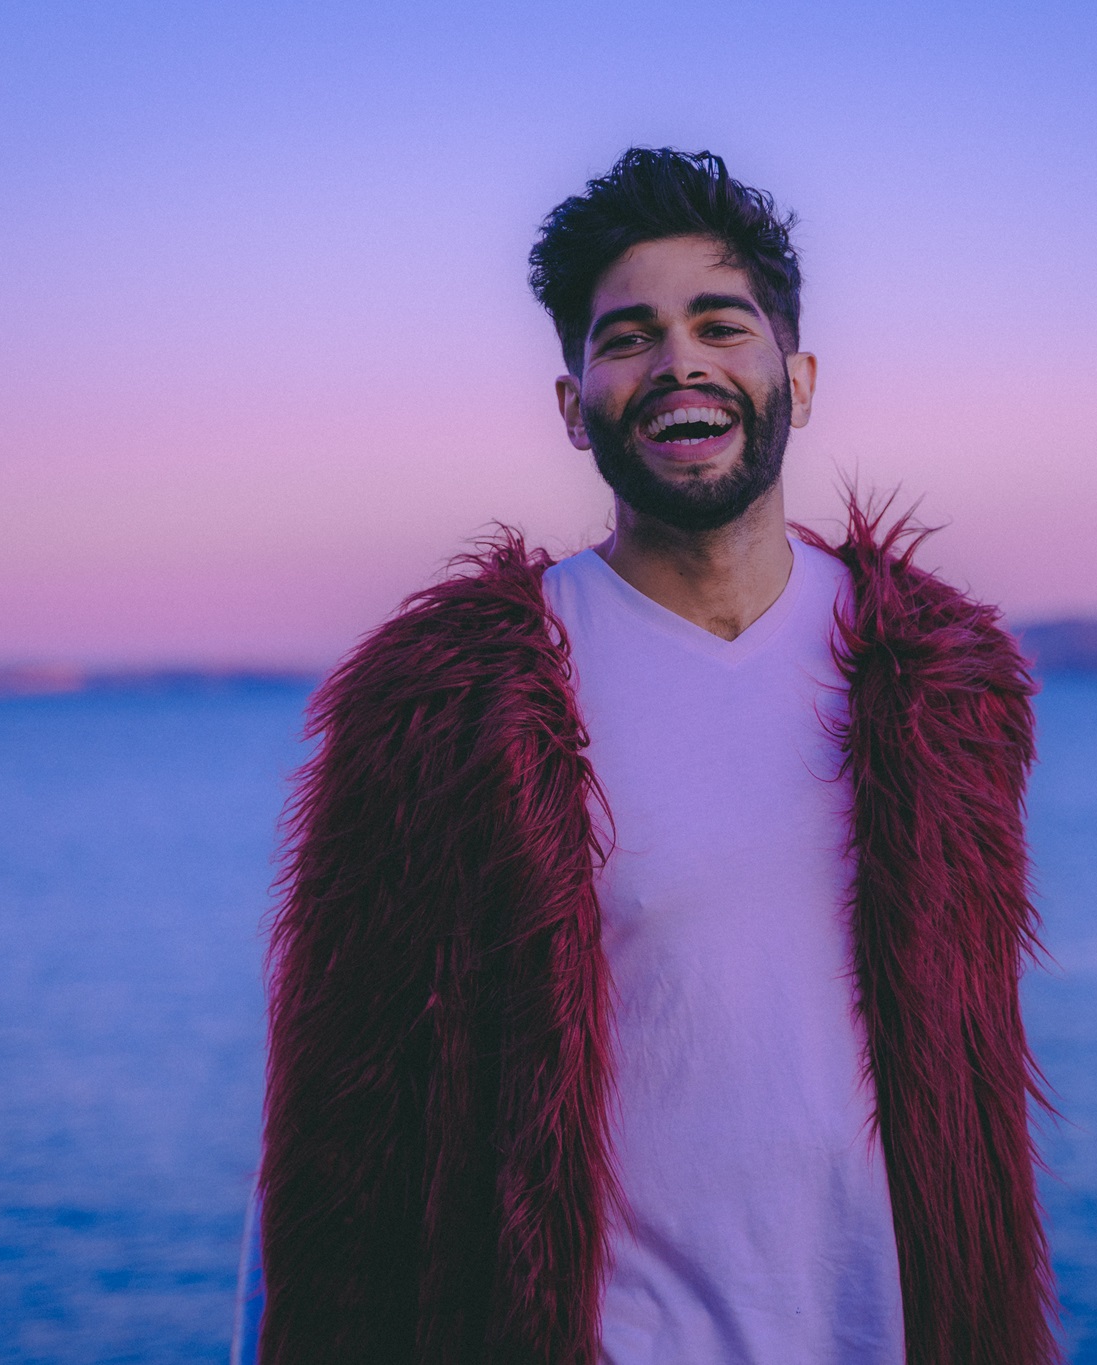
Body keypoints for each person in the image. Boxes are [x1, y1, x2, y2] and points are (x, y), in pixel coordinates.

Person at [241, 148, 1056, 1365]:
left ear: (797, 376)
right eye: (627, 335)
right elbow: (337, 1124)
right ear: (573, 405)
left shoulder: (943, 692)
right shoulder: (449, 703)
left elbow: (972, 1094)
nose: (679, 360)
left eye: (719, 324)